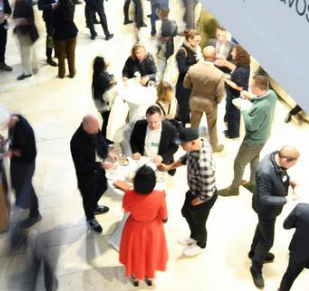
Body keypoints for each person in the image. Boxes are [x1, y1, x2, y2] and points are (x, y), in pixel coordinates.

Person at [157, 128, 216, 257]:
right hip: (194, 190)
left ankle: (201, 245)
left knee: (199, 223)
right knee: (186, 212)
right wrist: (169, 167)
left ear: (193, 142)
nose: (181, 146)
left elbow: (208, 191)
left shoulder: (204, 163)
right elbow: (185, 158)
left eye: (183, 144)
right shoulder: (199, 143)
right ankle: (194, 237)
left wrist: (196, 202)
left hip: (203, 197)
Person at [248, 146, 301, 288]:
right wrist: (288, 198)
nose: (293, 166)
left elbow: (281, 174)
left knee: (261, 227)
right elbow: (264, 198)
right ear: (285, 160)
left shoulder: (276, 155)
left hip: (270, 210)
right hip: (266, 209)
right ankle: (255, 267)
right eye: (292, 163)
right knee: (267, 241)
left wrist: (290, 181)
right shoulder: (265, 171)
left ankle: (254, 251)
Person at [221, 74, 277, 194]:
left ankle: (234, 188)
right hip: (263, 136)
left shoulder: (261, 107)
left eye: (251, 86)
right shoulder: (272, 94)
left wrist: (243, 109)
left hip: (253, 140)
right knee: (254, 160)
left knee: (239, 163)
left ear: (257, 87)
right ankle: (253, 183)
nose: (250, 87)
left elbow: (251, 126)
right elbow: (259, 100)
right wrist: (251, 97)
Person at [0, 106, 42, 228]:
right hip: (17, 161)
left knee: (26, 187)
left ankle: (35, 214)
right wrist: (6, 141)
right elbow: (13, 135)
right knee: (16, 183)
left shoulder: (24, 131)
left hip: (26, 162)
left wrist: (11, 153)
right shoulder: (14, 118)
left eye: (5, 125)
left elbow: (28, 153)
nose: (6, 127)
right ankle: (24, 202)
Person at [119, 165, 168, 287]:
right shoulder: (160, 195)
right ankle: (149, 276)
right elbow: (164, 216)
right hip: (152, 229)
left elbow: (126, 209)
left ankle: (135, 277)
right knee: (150, 253)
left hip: (134, 228)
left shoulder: (128, 195)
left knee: (135, 253)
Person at [70, 114, 117, 233]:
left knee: (103, 187)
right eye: (95, 130)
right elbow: (81, 166)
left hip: (99, 169)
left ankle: (94, 206)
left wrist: (108, 151)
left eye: (97, 128)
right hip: (86, 175)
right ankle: (90, 217)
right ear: (85, 128)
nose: (97, 131)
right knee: (88, 196)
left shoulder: (94, 128)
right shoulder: (76, 142)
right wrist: (101, 165)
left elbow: (100, 138)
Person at [184, 46, 226, 153]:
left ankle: (192, 145)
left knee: (194, 125)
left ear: (203, 55)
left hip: (195, 101)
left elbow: (186, 84)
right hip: (210, 103)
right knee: (212, 126)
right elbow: (220, 93)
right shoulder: (219, 74)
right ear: (214, 56)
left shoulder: (193, 69)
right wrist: (218, 101)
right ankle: (214, 146)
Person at [216, 45, 250, 139]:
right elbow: (235, 68)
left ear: (239, 54)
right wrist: (225, 63)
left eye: (233, 52)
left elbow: (238, 87)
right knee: (231, 112)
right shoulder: (243, 65)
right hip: (233, 94)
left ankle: (233, 134)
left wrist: (226, 80)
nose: (231, 53)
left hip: (236, 95)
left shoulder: (241, 71)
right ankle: (230, 130)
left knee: (233, 114)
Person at [11, 0, 40, 80]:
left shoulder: (25, 6)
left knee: (25, 54)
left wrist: (22, 21)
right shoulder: (19, 4)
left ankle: (27, 72)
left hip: (26, 34)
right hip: (28, 34)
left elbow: (31, 20)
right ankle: (35, 67)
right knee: (32, 51)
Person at [175, 30, 199, 125]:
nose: (197, 43)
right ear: (189, 39)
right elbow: (182, 68)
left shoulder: (191, 49)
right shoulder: (182, 51)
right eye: (196, 41)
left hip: (189, 83)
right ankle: (180, 125)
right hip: (182, 84)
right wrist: (195, 66)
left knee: (187, 105)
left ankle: (185, 120)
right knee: (182, 105)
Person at [38, 0, 61, 66]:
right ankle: (49, 57)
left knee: (58, 35)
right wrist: (52, 5)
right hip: (49, 17)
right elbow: (40, 6)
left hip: (59, 15)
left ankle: (57, 52)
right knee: (50, 37)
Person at [52, 0, 78, 79]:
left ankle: (62, 73)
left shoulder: (56, 10)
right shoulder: (72, 6)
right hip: (72, 33)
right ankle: (72, 72)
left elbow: (54, 23)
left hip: (60, 35)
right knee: (71, 54)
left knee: (61, 55)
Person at [92, 56, 117, 138]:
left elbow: (108, 77)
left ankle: (102, 137)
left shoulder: (98, 73)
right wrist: (114, 82)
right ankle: (102, 138)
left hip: (101, 103)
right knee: (105, 121)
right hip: (103, 106)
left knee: (105, 121)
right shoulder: (101, 79)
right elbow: (107, 89)